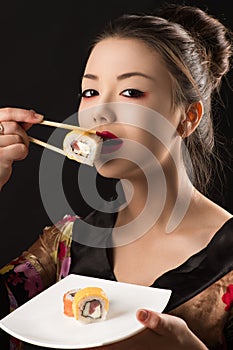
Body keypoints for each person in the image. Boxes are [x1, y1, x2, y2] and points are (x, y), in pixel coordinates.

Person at [0, 3, 233, 349]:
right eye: (90, 92)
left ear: (188, 117)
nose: (99, 112)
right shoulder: (66, 242)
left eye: (130, 92)